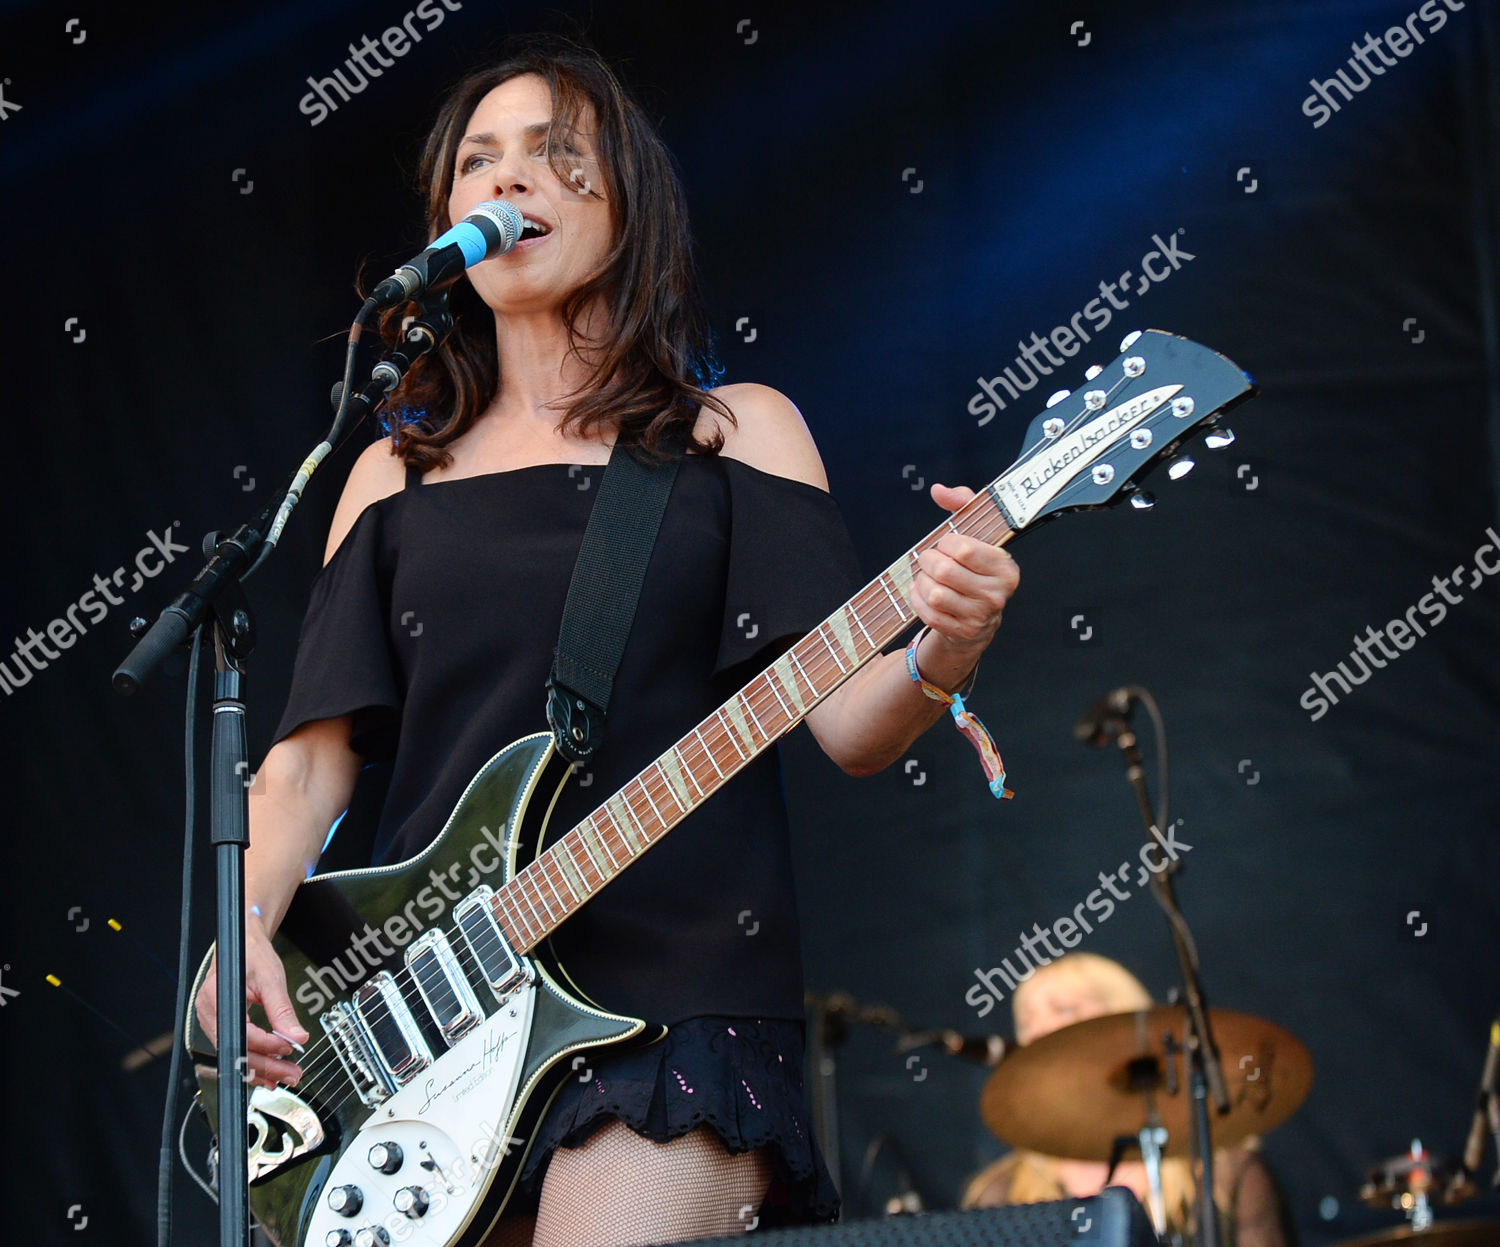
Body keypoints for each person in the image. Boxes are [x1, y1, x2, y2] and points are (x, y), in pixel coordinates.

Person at [193, 34, 1021, 1247]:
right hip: (434, 1023)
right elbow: (309, 766)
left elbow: (849, 723)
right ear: (446, 224)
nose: (506, 182)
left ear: (626, 204)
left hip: (672, 1010)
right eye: (477, 162)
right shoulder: (390, 473)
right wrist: (240, 929)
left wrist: (945, 646)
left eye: (551, 156)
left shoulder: (734, 436)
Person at [961, 952, 1292, 1247]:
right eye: (1026, 1023)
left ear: (1124, 1023)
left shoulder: (1224, 1174)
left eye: (1063, 1010)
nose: (1039, 1032)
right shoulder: (1003, 1194)